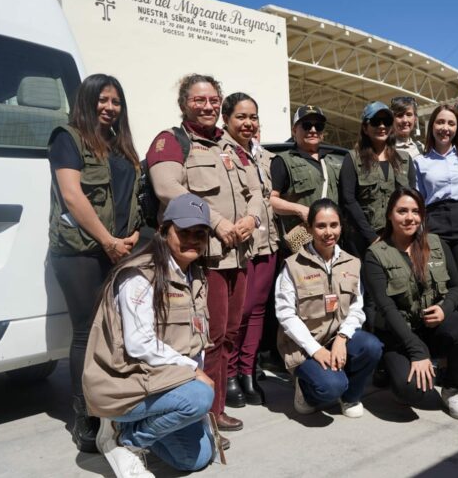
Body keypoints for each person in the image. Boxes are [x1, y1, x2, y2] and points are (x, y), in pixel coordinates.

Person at [146, 74, 263, 443]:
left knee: (228, 336)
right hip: (201, 259)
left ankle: (216, 408)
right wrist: (217, 222)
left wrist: (251, 219)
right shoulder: (171, 141)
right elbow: (167, 187)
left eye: (213, 100)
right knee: (205, 338)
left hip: (236, 257)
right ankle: (201, 415)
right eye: (199, 100)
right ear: (184, 103)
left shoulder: (231, 145)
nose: (208, 106)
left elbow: (258, 189)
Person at [83, 193, 220, 477]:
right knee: (199, 397)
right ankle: (126, 440)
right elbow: (139, 343)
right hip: (126, 384)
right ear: (163, 230)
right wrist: (193, 372)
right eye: (184, 232)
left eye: (200, 233)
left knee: (197, 458)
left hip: (164, 382)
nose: (192, 240)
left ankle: (139, 426)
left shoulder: (194, 275)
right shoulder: (139, 276)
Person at [48, 73, 141, 453]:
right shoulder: (67, 138)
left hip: (119, 247)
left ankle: (113, 403)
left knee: (117, 331)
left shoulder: (120, 145)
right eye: (103, 99)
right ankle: (84, 414)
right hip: (81, 251)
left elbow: (130, 197)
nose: (110, 107)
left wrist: (132, 236)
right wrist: (108, 241)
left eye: (116, 101)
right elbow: (72, 196)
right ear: (86, 101)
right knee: (87, 332)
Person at [363, 188, 458, 419]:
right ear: (389, 215)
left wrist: (444, 309)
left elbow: (457, 287)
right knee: (413, 391)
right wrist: (417, 352)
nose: (410, 217)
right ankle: (387, 367)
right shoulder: (375, 255)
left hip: (432, 327)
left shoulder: (436, 244)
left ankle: (451, 389)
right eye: (402, 211)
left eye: (415, 211)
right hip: (398, 334)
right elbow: (386, 308)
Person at [275, 199, 383, 417]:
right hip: (304, 346)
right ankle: (306, 390)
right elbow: (285, 314)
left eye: (334, 225)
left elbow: (357, 306)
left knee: (372, 347)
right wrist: (315, 349)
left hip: (337, 338)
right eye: (321, 226)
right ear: (309, 229)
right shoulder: (293, 266)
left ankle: (350, 397)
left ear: (341, 226)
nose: (328, 232)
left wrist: (342, 338)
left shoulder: (352, 262)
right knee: (331, 387)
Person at [220, 93, 279, 408]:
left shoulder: (265, 156)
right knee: (238, 313)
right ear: (226, 119)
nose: (248, 123)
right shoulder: (220, 151)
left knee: (257, 311)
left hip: (268, 242)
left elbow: (271, 198)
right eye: (241, 117)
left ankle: (247, 371)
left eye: (253, 117)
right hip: (239, 244)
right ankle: (228, 373)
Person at [414, 104, 458, 286]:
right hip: (436, 225)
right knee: (447, 282)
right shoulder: (420, 162)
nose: (445, 128)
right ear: (431, 127)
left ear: (457, 128)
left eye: (451, 123)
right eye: (440, 122)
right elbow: (418, 201)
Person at [340, 101, 416, 257]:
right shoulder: (352, 159)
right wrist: (372, 237)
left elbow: (412, 199)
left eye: (386, 122)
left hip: (399, 238)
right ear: (365, 128)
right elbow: (348, 200)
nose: (382, 126)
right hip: (364, 241)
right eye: (375, 122)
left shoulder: (404, 159)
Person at [270, 105, 342, 243]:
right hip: (304, 241)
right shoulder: (283, 161)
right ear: (294, 130)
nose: (313, 130)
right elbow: (272, 201)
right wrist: (300, 210)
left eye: (318, 126)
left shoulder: (335, 162)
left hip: (334, 240)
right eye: (306, 125)